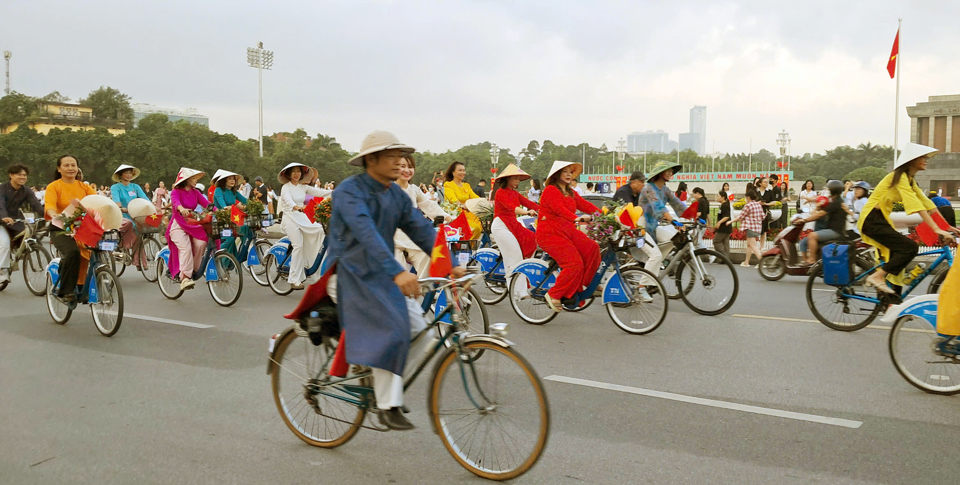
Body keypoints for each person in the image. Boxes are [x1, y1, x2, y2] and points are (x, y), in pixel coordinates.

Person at [328, 130, 465, 431]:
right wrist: (398, 271)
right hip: (351, 273)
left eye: (400, 156)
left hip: (383, 273)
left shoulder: (395, 194)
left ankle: (388, 388)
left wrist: (451, 264)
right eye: (391, 157)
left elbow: (420, 228)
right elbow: (366, 234)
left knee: (422, 331)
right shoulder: (348, 192)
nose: (399, 162)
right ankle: (386, 403)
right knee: (394, 329)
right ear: (371, 160)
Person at [858, 144, 959, 293]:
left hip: (882, 220)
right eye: (922, 158)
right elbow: (915, 205)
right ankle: (877, 277)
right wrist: (936, 229)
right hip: (871, 219)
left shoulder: (910, 180)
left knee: (897, 263)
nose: (926, 161)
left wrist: (947, 227)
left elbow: (927, 204)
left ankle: (892, 304)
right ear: (912, 160)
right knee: (909, 247)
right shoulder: (899, 178)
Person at [536, 161, 601, 312]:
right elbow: (559, 209)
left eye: (570, 172)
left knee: (593, 247)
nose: (568, 174)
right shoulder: (550, 190)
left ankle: (589, 282)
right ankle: (554, 294)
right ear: (557, 174)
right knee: (574, 263)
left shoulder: (571, 192)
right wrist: (576, 218)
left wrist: (605, 213)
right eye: (564, 171)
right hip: (550, 234)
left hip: (568, 231)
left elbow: (585, 205)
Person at [44, 155, 96, 302]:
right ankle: (66, 291)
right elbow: (50, 207)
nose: (70, 168)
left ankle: (84, 285)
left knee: (96, 251)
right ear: (59, 169)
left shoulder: (85, 187)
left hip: (83, 228)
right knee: (73, 252)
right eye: (66, 165)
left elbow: (98, 202)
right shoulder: (53, 187)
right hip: (61, 228)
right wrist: (57, 216)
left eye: (73, 165)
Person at [394, 155, 450, 275]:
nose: (407, 170)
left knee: (429, 257)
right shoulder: (387, 189)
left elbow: (429, 205)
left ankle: (423, 291)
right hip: (393, 239)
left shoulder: (414, 189)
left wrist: (446, 217)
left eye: (410, 167)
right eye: (402, 166)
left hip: (411, 238)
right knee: (398, 277)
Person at [278, 163, 331, 289]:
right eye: (294, 172)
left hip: (302, 218)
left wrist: (338, 192)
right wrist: (297, 207)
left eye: (299, 171)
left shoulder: (303, 187)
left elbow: (320, 192)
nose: (297, 174)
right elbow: (288, 200)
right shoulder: (286, 187)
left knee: (320, 231)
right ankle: (294, 279)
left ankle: (313, 266)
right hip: (289, 217)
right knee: (298, 245)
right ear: (289, 174)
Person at [613, 171, 661, 295]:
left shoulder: (636, 195)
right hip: (627, 231)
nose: (643, 185)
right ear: (633, 182)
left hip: (635, 230)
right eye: (641, 182)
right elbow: (627, 216)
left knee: (652, 255)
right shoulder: (624, 193)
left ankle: (645, 279)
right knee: (654, 255)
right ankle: (643, 287)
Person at [490, 164, 539, 274]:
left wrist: (548, 210)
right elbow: (512, 208)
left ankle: (520, 287)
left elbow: (530, 203)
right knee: (514, 256)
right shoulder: (500, 192)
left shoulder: (515, 193)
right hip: (501, 226)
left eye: (519, 179)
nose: (518, 181)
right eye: (515, 178)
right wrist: (526, 212)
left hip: (512, 224)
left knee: (532, 239)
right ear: (507, 178)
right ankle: (514, 288)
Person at [167, 168, 211, 290]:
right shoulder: (176, 191)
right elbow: (176, 203)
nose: (196, 181)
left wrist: (219, 211)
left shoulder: (196, 192)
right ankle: (185, 277)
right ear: (185, 179)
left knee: (202, 243)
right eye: (193, 178)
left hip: (192, 224)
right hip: (178, 225)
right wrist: (181, 209)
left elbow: (206, 204)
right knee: (185, 248)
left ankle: (195, 270)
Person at [1, 163, 45, 284]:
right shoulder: (2, 189)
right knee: (4, 243)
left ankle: (18, 252)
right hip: (1, 220)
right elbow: (1, 206)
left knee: (31, 237)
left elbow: (36, 205)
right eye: (19, 174)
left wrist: (49, 216)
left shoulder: (26, 191)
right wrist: (4, 217)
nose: (23, 177)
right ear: (11, 175)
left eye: (25, 175)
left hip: (15, 220)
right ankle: (3, 271)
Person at [794, 180, 848, 265]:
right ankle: (807, 260)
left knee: (812, 236)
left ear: (833, 190)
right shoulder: (835, 201)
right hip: (832, 229)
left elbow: (819, 214)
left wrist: (804, 220)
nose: (828, 191)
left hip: (835, 231)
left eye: (829, 189)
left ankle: (812, 259)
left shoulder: (836, 203)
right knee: (805, 240)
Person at [110, 164, 152, 270]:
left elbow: (144, 198)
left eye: (130, 173)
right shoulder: (115, 187)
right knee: (131, 229)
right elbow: (117, 201)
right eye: (126, 173)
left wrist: (152, 206)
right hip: (123, 214)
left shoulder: (135, 187)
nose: (128, 175)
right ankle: (122, 247)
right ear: (121, 175)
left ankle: (139, 261)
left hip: (136, 213)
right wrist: (121, 207)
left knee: (144, 231)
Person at [639, 161, 686, 243]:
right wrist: (672, 220)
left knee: (674, 240)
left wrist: (693, 216)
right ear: (660, 173)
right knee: (656, 255)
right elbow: (658, 206)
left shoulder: (665, 190)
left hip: (654, 225)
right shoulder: (649, 188)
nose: (670, 173)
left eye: (671, 171)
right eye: (667, 171)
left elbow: (678, 203)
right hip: (642, 226)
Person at [212, 170, 249, 261]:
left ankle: (241, 254)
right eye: (230, 179)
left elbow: (245, 200)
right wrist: (225, 207)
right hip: (220, 219)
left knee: (246, 228)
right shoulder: (219, 190)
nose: (232, 181)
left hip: (230, 218)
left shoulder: (234, 192)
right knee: (229, 239)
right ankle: (217, 259)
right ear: (224, 180)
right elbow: (221, 202)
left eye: (233, 179)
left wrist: (255, 205)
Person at [442, 161, 483, 239]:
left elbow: (476, 198)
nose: (463, 172)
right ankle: (465, 249)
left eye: (464, 170)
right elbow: (453, 200)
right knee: (475, 228)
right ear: (453, 172)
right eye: (460, 170)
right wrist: (463, 205)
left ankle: (470, 249)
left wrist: (486, 202)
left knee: (481, 225)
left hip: (469, 214)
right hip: (456, 216)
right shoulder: (448, 185)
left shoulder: (466, 186)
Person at [730, 186, 764, 267]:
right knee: (749, 245)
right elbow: (763, 216)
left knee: (753, 245)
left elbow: (740, 217)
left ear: (748, 197)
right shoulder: (758, 205)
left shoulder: (748, 206)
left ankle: (762, 261)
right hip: (758, 228)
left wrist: (730, 221)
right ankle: (746, 262)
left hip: (750, 227)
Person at [713, 190, 732, 259]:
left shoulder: (725, 205)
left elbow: (726, 216)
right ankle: (726, 258)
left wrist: (719, 222)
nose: (717, 197)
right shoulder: (723, 205)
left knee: (716, 241)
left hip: (724, 228)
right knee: (725, 243)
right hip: (726, 227)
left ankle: (724, 257)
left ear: (723, 197)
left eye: (718, 196)